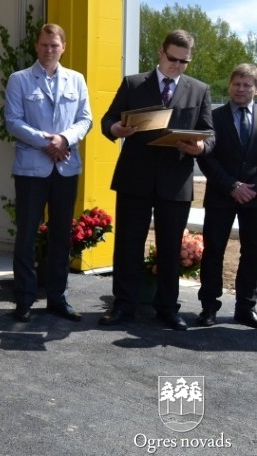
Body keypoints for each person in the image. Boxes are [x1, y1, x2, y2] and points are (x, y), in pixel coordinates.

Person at [99, 29, 215, 330]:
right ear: (161, 52)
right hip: (135, 177)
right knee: (128, 244)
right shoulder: (134, 83)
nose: (177, 65)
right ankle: (124, 305)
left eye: (184, 61)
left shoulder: (199, 89)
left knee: (170, 247)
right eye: (173, 59)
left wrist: (201, 147)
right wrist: (116, 130)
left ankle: (167, 308)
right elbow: (108, 119)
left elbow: (210, 133)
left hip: (175, 180)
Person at [4, 23, 93, 323]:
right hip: (31, 169)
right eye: (44, 44)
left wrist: (64, 139)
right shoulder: (20, 79)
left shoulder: (76, 79)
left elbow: (85, 119)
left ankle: (57, 298)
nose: (49, 50)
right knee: (26, 235)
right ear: (37, 46)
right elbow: (13, 121)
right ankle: (24, 299)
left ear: (63, 47)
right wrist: (48, 142)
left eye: (54, 45)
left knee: (61, 236)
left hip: (65, 168)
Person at [196, 63, 257, 327]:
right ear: (230, 85)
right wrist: (232, 186)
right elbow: (206, 158)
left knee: (253, 253)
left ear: (255, 88)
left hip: (254, 197)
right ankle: (209, 307)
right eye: (236, 84)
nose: (240, 89)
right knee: (213, 252)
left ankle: (246, 307)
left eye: (247, 85)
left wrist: (250, 189)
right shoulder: (213, 117)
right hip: (220, 195)